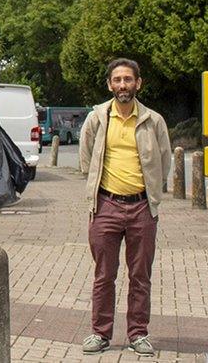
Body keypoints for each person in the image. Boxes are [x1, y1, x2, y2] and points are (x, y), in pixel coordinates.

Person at [78, 58, 171, 356]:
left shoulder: (153, 120)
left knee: (140, 275)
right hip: (105, 205)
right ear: (109, 84)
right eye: (117, 80)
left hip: (142, 208)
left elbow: (164, 160)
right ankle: (100, 333)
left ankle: (138, 334)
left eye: (128, 79)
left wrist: (152, 195)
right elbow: (86, 156)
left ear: (138, 83)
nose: (122, 85)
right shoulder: (97, 118)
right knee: (104, 274)